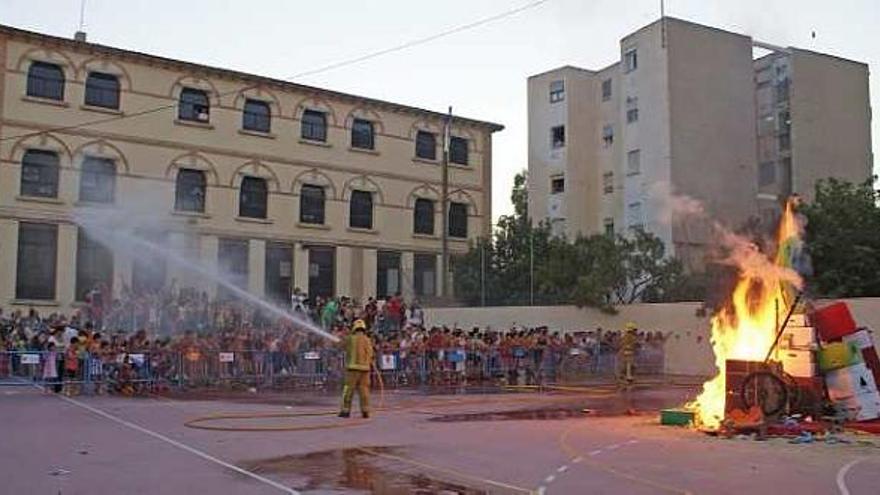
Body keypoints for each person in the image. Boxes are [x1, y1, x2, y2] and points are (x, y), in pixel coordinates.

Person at [339, 319, 374, 419]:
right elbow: (371, 353)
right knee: (364, 391)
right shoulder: (367, 340)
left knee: (348, 390)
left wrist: (341, 337)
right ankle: (365, 411)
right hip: (365, 370)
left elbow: (341, 345)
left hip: (352, 369)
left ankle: (345, 411)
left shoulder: (350, 338)